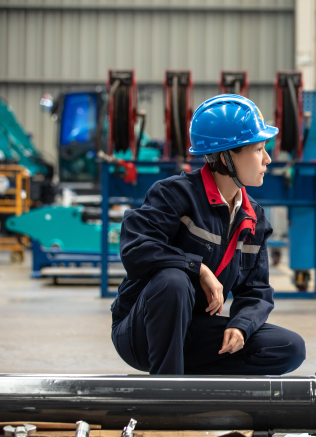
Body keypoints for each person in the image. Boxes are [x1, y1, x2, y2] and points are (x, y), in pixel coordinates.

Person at [110, 94, 305, 375]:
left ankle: (193, 380)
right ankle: (167, 394)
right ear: (226, 156)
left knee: (287, 347)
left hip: (193, 332)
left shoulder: (254, 218)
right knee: (173, 280)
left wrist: (241, 325)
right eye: (258, 149)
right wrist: (197, 268)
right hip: (141, 332)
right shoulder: (174, 194)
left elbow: (256, 291)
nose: (267, 159)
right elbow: (135, 249)